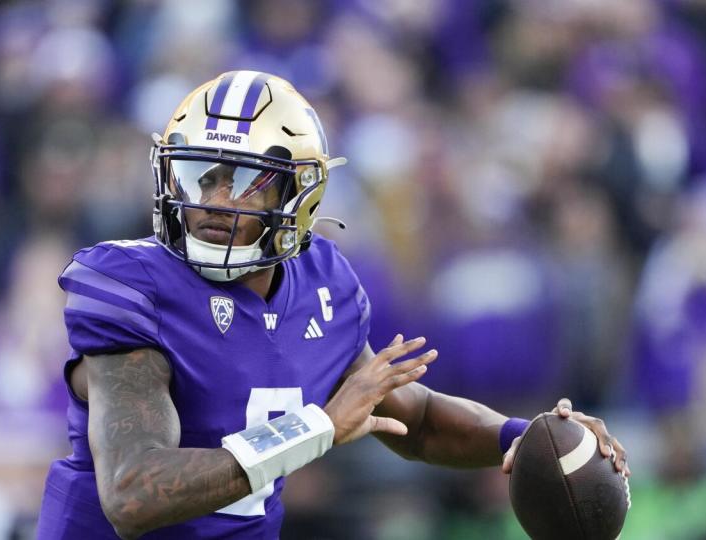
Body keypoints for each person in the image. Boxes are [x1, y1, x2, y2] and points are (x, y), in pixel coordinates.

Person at [35, 71, 631, 540]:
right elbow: (132, 494)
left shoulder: (321, 282)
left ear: (301, 193)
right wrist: (314, 427)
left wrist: (518, 438)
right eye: (199, 177)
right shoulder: (133, 284)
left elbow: (409, 418)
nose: (214, 201)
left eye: (243, 181)